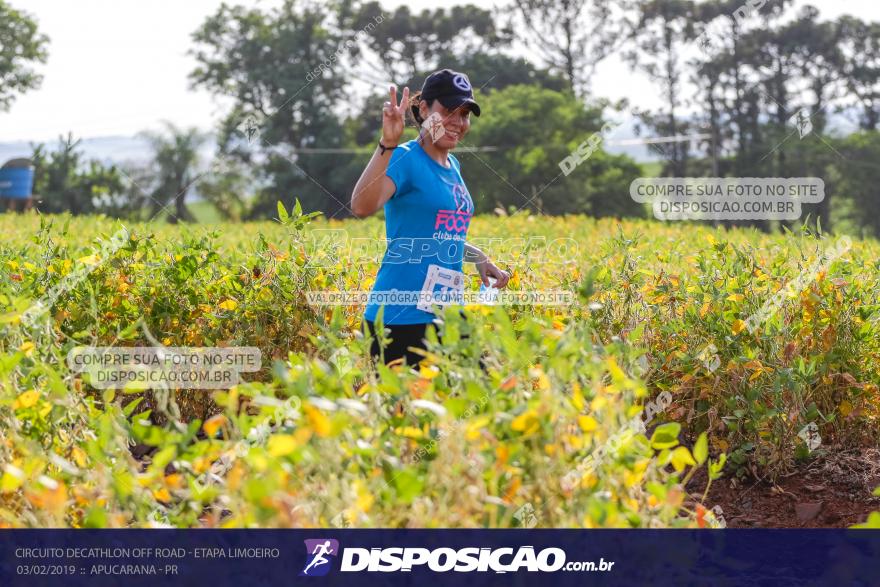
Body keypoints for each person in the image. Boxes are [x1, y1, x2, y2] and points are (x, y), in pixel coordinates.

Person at [351, 69, 510, 366]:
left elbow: (438, 234)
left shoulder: (455, 166)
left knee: (479, 400)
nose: (458, 123)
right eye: (448, 111)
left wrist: (478, 257)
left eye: (465, 114)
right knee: (406, 411)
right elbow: (361, 206)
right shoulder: (404, 157)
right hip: (399, 319)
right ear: (423, 109)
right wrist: (387, 143)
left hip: (447, 313)